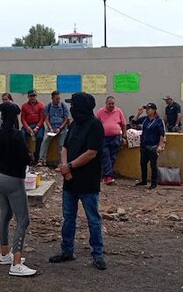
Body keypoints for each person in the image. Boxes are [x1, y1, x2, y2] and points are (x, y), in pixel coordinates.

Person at [51, 92, 106, 270]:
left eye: (74, 105)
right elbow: (65, 147)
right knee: (68, 217)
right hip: (70, 180)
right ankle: (67, 250)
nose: (72, 109)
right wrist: (65, 168)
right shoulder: (75, 124)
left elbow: (91, 153)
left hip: (88, 181)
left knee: (93, 219)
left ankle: (97, 254)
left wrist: (70, 167)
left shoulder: (95, 125)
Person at [0, 102, 37, 277]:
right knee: (23, 220)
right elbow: (26, 158)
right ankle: (16, 263)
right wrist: (31, 156)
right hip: (14, 180)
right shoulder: (17, 135)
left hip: (0, 177)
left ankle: (4, 254)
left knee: (5, 215)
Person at [133, 102, 166, 189]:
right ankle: (144, 180)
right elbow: (134, 122)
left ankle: (153, 183)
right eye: (146, 109)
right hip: (144, 144)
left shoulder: (159, 121)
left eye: (149, 109)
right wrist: (138, 113)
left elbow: (162, 134)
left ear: (154, 110)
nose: (147, 111)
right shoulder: (145, 119)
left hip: (153, 145)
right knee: (143, 163)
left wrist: (160, 145)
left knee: (153, 164)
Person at [95, 96, 126, 185]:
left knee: (112, 157)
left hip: (116, 137)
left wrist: (124, 136)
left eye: (113, 104)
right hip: (104, 138)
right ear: (106, 103)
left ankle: (106, 176)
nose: (111, 105)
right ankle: (108, 176)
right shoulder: (100, 112)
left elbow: (123, 124)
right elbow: (96, 125)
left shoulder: (118, 111)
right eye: (110, 104)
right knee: (105, 156)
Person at [38, 91, 70, 166]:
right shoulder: (48, 106)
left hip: (61, 129)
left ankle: (61, 163)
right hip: (51, 128)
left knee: (61, 145)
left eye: (59, 98)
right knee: (45, 140)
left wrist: (60, 128)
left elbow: (66, 119)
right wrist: (50, 128)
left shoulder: (63, 106)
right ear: (52, 98)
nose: (58, 100)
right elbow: (47, 118)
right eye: (56, 99)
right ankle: (41, 160)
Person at [21, 90, 45, 163]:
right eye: (31, 96)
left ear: (36, 96)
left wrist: (37, 127)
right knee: (21, 136)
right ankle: (27, 155)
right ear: (28, 97)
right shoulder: (24, 106)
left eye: (34, 96)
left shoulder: (41, 105)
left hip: (38, 125)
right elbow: (22, 119)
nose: (32, 98)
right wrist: (27, 127)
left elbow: (42, 118)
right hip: (27, 125)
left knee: (40, 137)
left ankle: (37, 156)